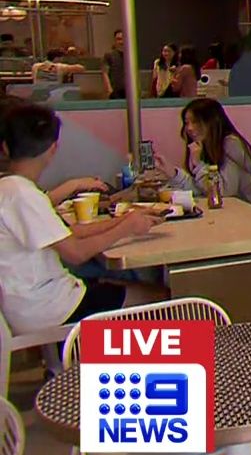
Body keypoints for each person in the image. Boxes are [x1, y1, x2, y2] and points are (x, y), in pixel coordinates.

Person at [0, 103, 165, 335]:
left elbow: (69, 234)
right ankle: (120, 355)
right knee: (163, 298)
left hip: (33, 303)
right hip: (50, 308)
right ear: (53, 148)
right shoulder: (22, 194)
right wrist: (126, 227)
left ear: (5, 147)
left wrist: (125, 219)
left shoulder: (10, 188)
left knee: (118, 284)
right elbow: (76, 253)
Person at [157, 98, 251, 208]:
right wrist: (174, 174)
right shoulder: (204, 147)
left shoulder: (231, 143)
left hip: (249, 212)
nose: (189, 128)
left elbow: (223, 192)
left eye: (196, 122)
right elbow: (201, 189)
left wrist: (199, 165)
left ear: (211, 122)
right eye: (187, 123)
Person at [102, 29, 127, 99]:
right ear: (115, 41)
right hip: (115, 91)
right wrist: (109, 89)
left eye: (123, 39)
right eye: (118, 39)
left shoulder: (130, 56)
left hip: (129, 91)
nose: (121, 42)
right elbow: (105, 73)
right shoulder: (109, 55)